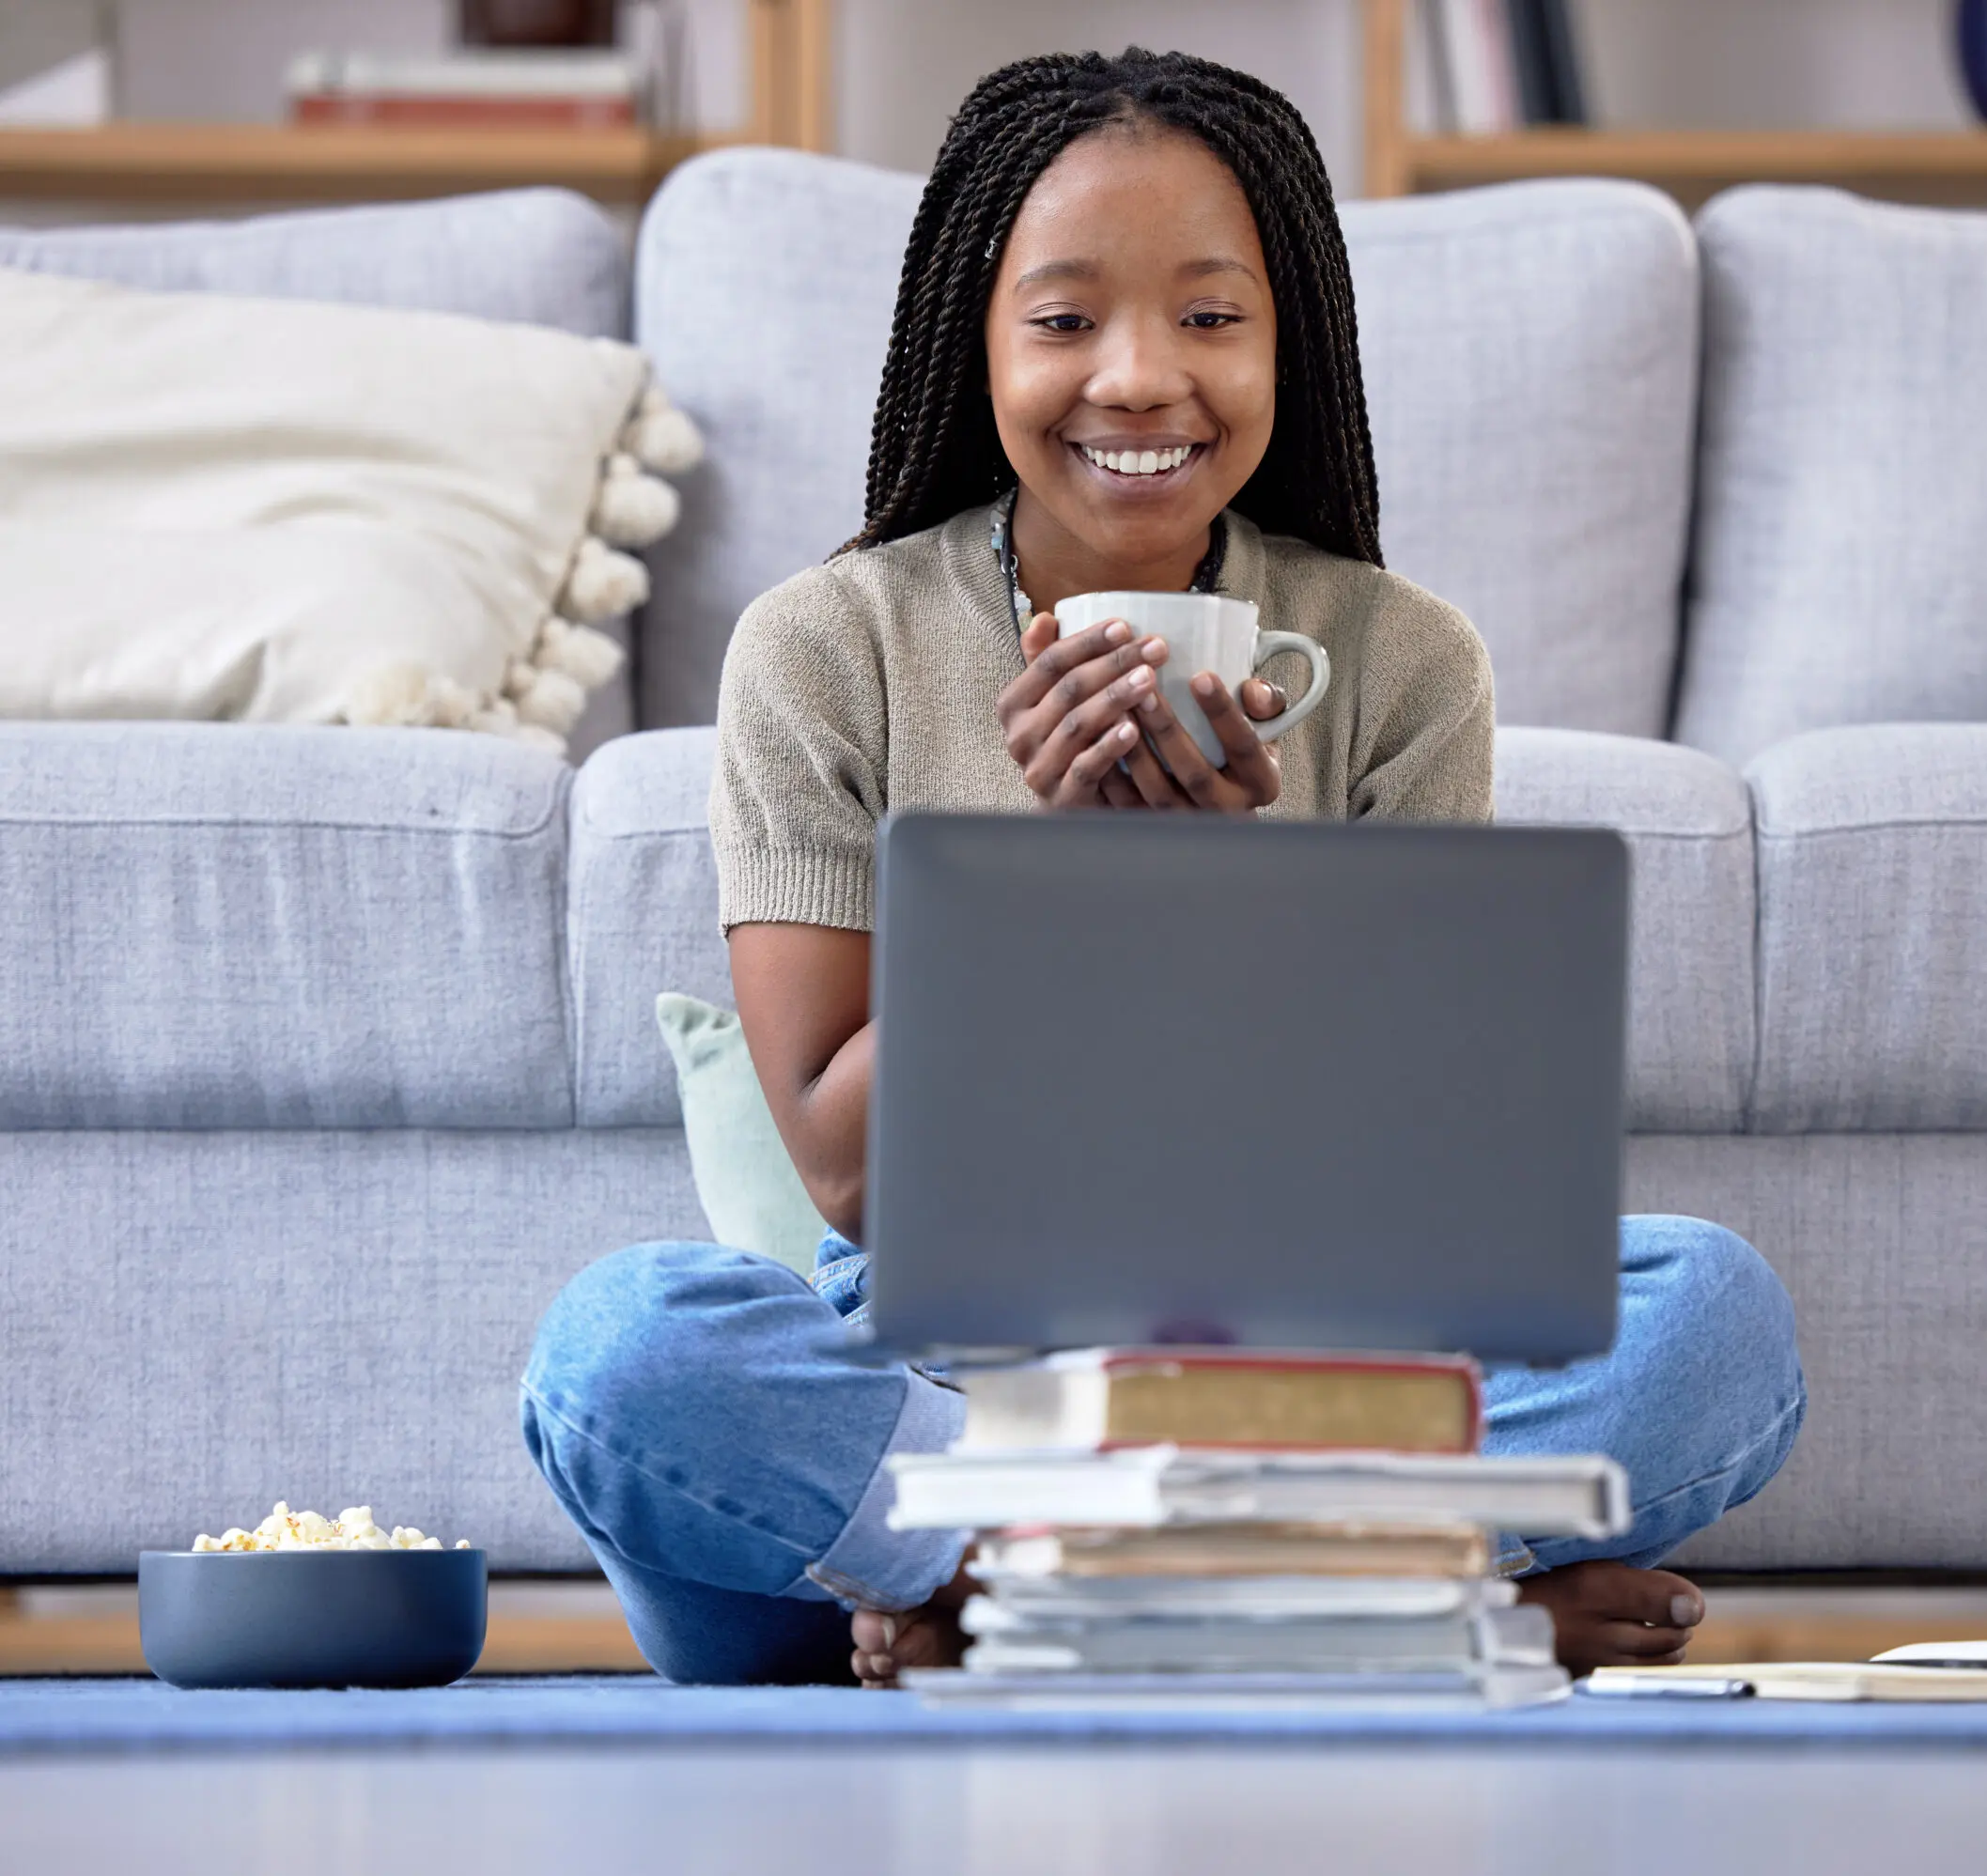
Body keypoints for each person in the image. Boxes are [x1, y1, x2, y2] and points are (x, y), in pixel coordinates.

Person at [522, 47, 1804, 1688]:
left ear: (1291, 347)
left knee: (1709, 1317)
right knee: (622, 1358)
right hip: (939, 1379)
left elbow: (1410, 1168)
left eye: (1210, 317)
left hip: (1303, 1355)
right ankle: (1339, 1600)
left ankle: (1026, 1609)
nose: (1139, 377)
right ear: (972, 341)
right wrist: (1063, 890)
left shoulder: (1398, 660)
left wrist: (1228, 910)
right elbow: (848, 1177)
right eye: (1063, 320)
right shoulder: (825, 649)